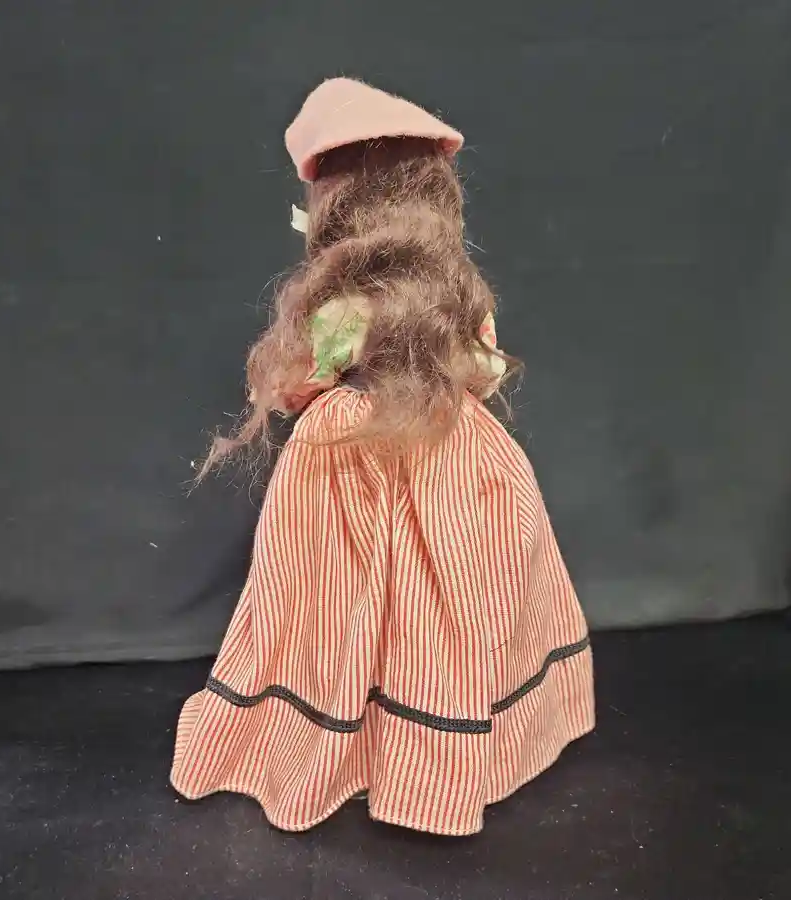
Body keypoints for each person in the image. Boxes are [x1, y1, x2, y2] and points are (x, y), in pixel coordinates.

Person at [170, 78, 595, 836]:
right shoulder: (461, 301)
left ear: (339, 212)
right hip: (448, 442)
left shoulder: (341, 311)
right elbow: (484, 371)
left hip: (348, 455)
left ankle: (348, 746)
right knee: (451, 593)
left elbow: (301, 383)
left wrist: (312, 385)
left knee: (338, 594)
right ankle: (433, 752)